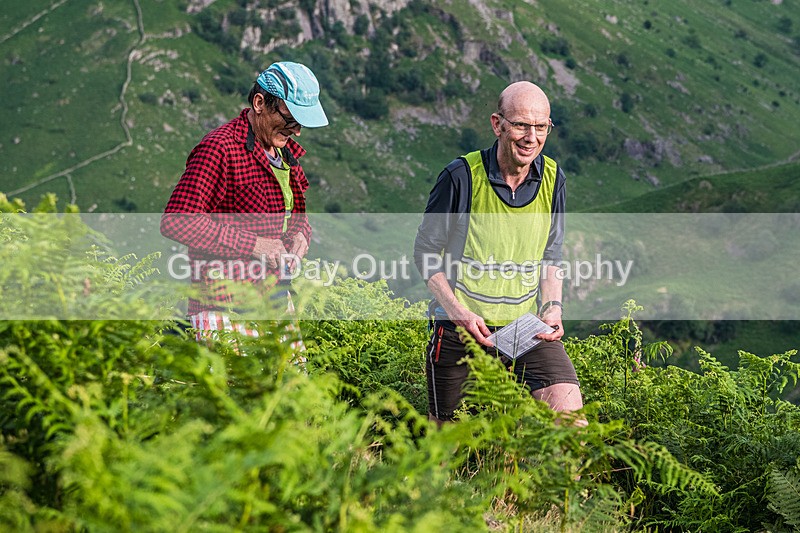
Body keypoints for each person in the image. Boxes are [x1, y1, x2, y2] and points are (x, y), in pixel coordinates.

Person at [413, 81, 583, 423]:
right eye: (521, 125)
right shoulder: (460, 176)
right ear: (497, 124)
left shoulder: (553, 178)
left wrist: (552, 308)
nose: (530, 137)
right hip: (461, 330)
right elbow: (424, 253)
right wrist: (457, 311)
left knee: (574, 427)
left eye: (540, 127)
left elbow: (551, 254)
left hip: (525, 330)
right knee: (445, 445)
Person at [160, 61, 328, 347]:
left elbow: (295, 216)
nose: (296, 131)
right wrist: (254, 245)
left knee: (289, 390)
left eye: (300, 123)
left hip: (275, 301)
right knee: (234, 392)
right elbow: (177, 220)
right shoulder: (219, 148)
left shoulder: (285, 155)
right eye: (291, 119)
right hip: (223, 308)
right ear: (260, 103)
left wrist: (302, 234)